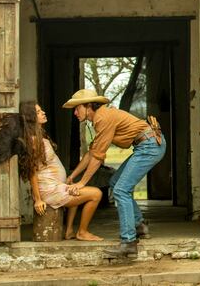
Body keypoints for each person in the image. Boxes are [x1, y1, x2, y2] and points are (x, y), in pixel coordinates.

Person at [63, 89, 165, 258]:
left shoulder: (102, 118)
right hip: (146, 145)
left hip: (150, 146)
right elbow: (91, 153)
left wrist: (82, 184)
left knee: (120, 190)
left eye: (77, 108)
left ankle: (129, 243)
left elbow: (97, 158)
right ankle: (139, 225)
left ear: (88, 106)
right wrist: (73, 176)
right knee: (116, 183)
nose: (74, 112)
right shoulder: (100, 118)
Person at [18, 101, 104, 241]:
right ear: (30, 117)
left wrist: (68, 179)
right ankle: (82, 232)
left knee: (74, 187)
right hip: (50, 190)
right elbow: (31, 171)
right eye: (39, 112)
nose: (43, 113)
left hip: (57, 186)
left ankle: (69, 230)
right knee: (96, 194)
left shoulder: (40, 137)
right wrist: (38, 199)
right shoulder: (33, 141)